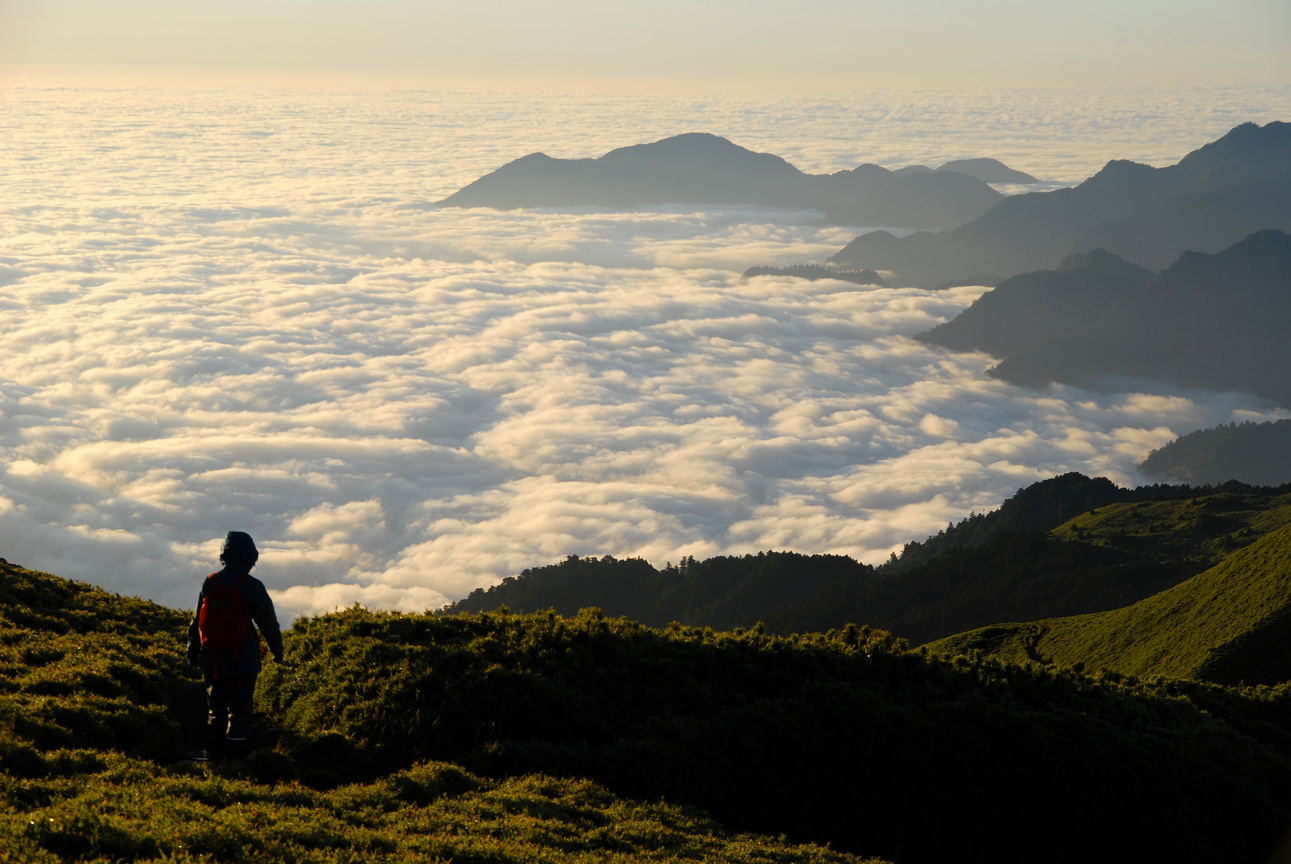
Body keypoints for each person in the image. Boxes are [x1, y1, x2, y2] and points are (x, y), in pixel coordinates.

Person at [187, 531, 283, 760]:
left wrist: (192, 650)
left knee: (216, 708)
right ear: (249, 557)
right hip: (244, 660)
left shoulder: (210, 582)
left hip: (213, 659)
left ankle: (214, 753)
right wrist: (277, 651)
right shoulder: (253, 586)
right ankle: (237, 755)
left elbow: (197, 619)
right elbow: (268, 623)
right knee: (240, 708)